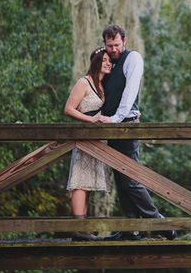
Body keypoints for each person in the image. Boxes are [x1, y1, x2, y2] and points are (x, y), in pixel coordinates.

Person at [99, 24, 176, 241]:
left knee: (131, 178)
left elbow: (130, 91)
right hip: (111, 126)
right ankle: (132, 226)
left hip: (126, 124)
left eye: (116, 45)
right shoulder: (106, 62)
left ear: (124, 40)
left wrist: (115, 119)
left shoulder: (133, 59)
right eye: (109, 45)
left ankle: (159, 222)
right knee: (120, 179)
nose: (113, 49)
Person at [64, 47, 113, 241]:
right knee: (80, 182)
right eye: (105, 60)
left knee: (89, 183)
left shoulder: (103, 85)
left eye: (110, 61)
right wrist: (90, 120)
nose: (109, 63)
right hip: (85, 139)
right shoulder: (84, 83)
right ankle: (78, 228)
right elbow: (68, 109)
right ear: (96, 62)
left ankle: (84, 228)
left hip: (98, 142)